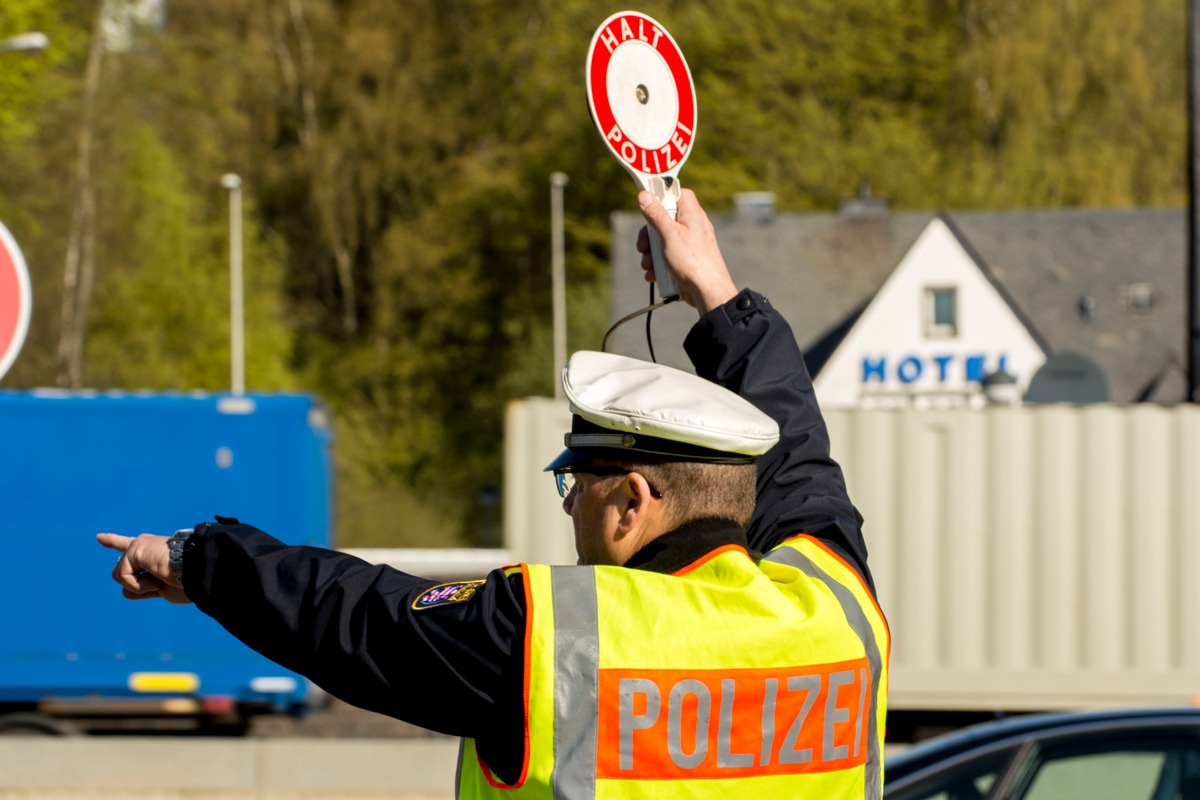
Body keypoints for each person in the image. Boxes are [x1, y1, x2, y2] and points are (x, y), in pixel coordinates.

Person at [98, 189, 889, 798]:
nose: (573, 504)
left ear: (633, 500)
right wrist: (717, 294)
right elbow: (798, 461)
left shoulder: (566, 638)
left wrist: (198, 559)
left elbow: (354, 617)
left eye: (577, 482)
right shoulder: (836, 615)